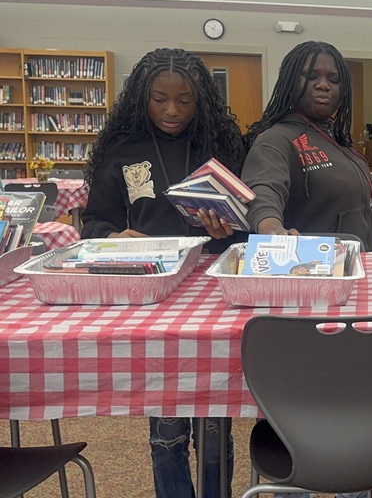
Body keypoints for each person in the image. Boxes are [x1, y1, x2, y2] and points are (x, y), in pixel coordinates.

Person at [81, 47, 245, 498]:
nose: (172, 110)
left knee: (216, 428)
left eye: (185, 100)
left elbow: (245, 235)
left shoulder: (222, 149)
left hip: (213, 300)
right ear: (141, 98)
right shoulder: (122, 151)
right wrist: (112, 237)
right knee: (167, 432)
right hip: (153, 301)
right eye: (159, 99)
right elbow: (93, 223)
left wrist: (226, 230)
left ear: (202, 101)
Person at [242, 41, 372, 251]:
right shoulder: (275, 139)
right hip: (316, 269)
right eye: (310, 77)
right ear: (289, 82)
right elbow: (263, 188)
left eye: (333, 79)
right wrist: (271, 228)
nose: (323, 85)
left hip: (357, 265)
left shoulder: (338, 138)